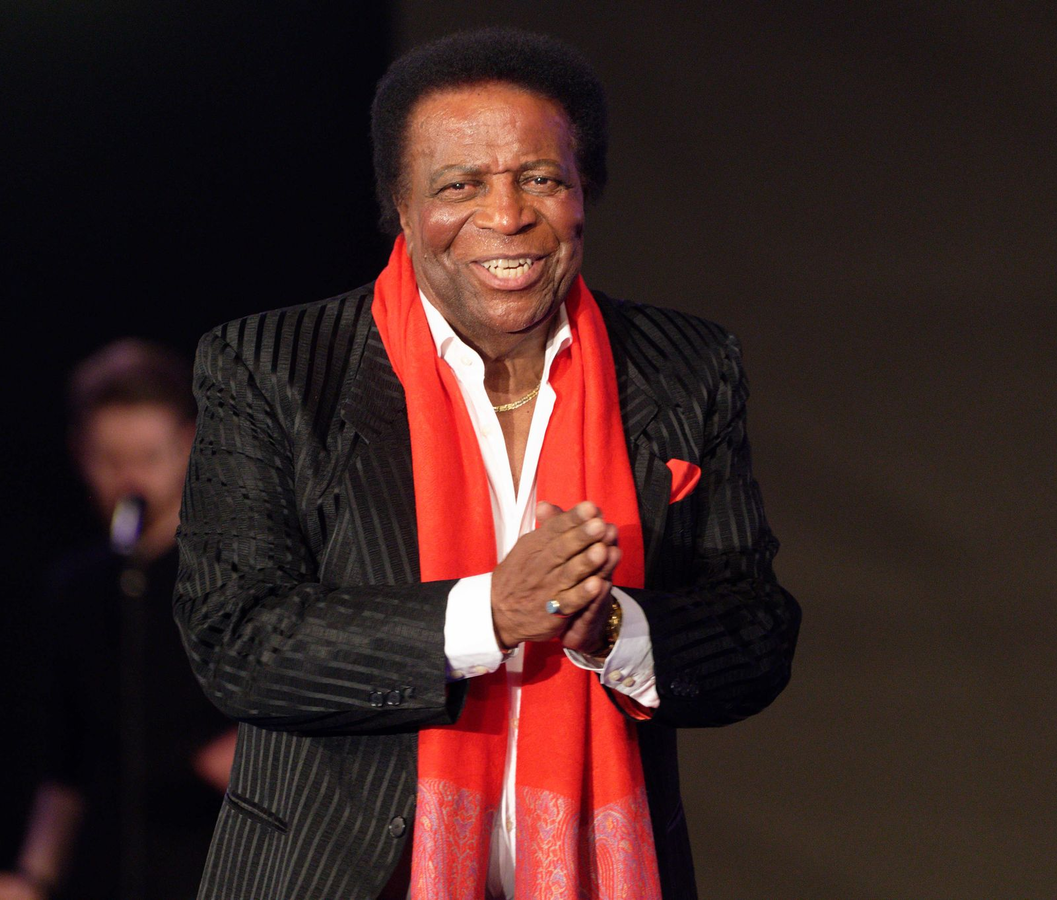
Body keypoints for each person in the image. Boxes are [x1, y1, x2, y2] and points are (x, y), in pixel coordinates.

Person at [175, 27, 800, 900]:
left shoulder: (684, 367)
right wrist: (489, 615)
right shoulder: (273, 365)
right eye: (460, 185)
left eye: (540, 178)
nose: (506, 217)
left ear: (586, 192)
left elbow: (756, 633)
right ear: (401, 204)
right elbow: (237, 640)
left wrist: (612, 630)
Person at [0, 340, 235, 900]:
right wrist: (32, 878)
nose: (130, 480)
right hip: (107, 870)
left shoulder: (236, 573)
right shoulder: (79, 588)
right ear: (79, 453)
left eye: (148, 457)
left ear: (189, 445)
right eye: (110, 460)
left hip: (217, 864)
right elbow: (66, 762)